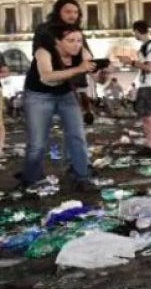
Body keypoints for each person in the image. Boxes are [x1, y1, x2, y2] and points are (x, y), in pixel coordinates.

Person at [20, 24, 97, 192]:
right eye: (71, 40)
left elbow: (94, 71)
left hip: (65, 94)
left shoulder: (81, 52)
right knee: (37, 142)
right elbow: (47, 77)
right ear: (57, 41)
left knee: (77, 136)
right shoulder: (43, 52)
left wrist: (101, 70)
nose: (76, 44)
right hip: (38, 95)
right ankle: (31, 179)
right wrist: (79, 69)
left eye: (79, 40)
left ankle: (82, 177)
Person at [120, 21, 151, 157]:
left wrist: (130, 62)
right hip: (145, 84)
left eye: (134, 32)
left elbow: (150, 67)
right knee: (145, 116)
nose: (134, 35)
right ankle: (150, 145)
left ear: (137, 31)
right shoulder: (145, 47)